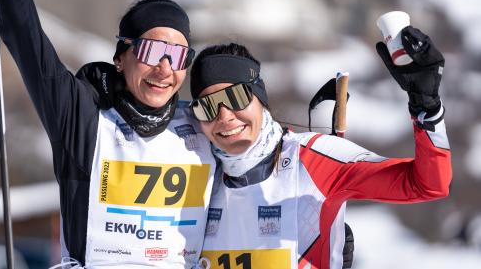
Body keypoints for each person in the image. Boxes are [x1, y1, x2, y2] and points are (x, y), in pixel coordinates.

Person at [189, 29, 451, 269]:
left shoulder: (314, 159)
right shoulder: (199, 177)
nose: (224, 116)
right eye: (207, 107)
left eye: (235, 97)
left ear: (260, 98)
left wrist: (426, 108)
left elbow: (427, 184)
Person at [0, 0, 218, 268]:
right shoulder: (82, 116)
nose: (165, 68)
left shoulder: (203, 125)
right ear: (120, 58)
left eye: (177, 56)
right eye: (152, 51)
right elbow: (25, 37)